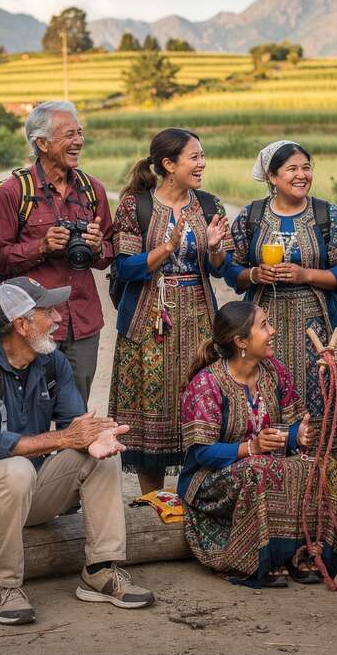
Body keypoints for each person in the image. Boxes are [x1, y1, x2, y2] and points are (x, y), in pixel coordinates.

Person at [0, 278, 156, 625]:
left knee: (99, 457)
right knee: (16, 468)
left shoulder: (51, 363)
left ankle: (100, 569)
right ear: (21, 324)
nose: (58, 318)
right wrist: (67, 439)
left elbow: (74, 426)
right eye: (47, 311)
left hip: (23, 491)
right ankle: (1, 587)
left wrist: (96, 438)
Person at [179, 301, 337, 586]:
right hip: (209, 480)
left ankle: (306, 551)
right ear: (241, 341)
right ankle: (263, 556)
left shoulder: (273, 372)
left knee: (325, 466)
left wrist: (299, 435)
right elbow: (201, 452)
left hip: (266, 463)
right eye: (264, 326)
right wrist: (251, 448)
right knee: (259, 468)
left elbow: (295, 422)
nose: (272, 332)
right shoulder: (207, 384)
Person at [108, 128, 232, 495]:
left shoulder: (209, 204)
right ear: (168, 164)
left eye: (202, 156)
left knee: (200, 400)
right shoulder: (136, 205)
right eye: (194, 157)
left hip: (199, 319)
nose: (202, 163)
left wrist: (214, 248)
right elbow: (125, 268)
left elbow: (221, 269)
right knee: (152, 409)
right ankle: (152, 501)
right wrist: (166, 248)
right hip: (149, 320)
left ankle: (193, 495)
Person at [225, 140, 337, 462]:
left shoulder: (327, 214)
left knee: (319, 399)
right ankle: (269, 481)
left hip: (316, 326)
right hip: (262, 327)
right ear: (272, 176)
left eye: (306, 167)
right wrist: (255, 274)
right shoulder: (251, 216)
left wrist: (305, 275)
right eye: (292, 169)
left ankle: (324, 486)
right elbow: (231, 270)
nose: (301, 175)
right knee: (265, 396)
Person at [0, 100, 113, 401]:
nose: (79, 142)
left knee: (76, 412)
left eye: (80, 134)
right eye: (69, 135)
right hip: (33, 325)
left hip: (82, 323)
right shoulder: (14, 192)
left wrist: (97, 247)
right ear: (41, 143)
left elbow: (111, 250)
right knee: (31, 411)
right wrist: (41, 247)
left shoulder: (92, 190)